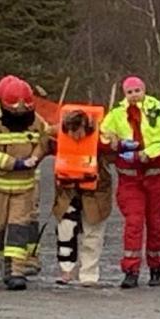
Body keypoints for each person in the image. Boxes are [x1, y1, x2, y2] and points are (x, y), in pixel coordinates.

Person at [100, 76, 160, 289]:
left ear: (144, 90)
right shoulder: (116, 114)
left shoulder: (156, 111)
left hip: (157, 173)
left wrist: (144, 155)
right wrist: (116, 142)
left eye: (137, 91)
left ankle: (156, 267)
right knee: (133, 222)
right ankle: (131, 270)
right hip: (130, 177)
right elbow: (103, 133)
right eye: (130, 92)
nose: (134, 95)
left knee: (155, 222)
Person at [0, 75, 48, 290]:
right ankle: (5, 265)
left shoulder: (35, 120)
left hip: (24, 187)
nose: (20, 111)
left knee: (18, 227)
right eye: (16, 106)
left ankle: (18, 271)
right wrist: (14, 164)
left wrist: (35, 157)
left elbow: (43, 141)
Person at [52, 105, 114, 286]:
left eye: (78, 132)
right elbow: (40, 143)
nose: (75, 136)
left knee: (92, 233)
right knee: (65, 230)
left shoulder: (102, 139)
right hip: (67, 192)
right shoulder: (56, 135)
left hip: (95, 193)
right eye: (71, 132)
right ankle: (66, 270)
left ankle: (89, 274)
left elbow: (116, 152)